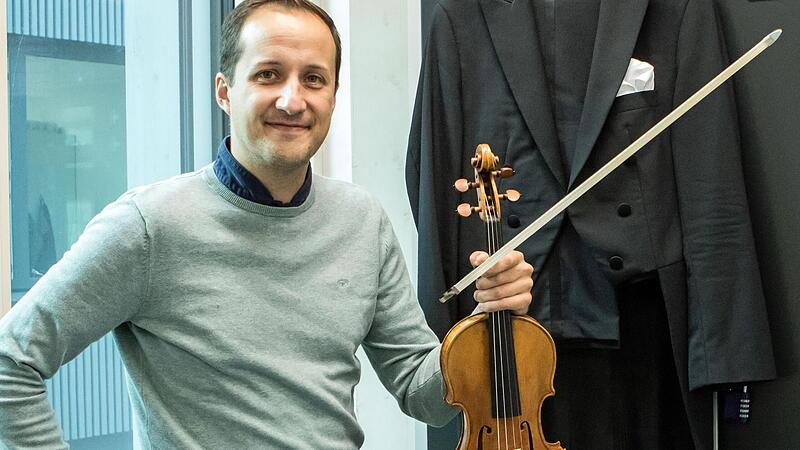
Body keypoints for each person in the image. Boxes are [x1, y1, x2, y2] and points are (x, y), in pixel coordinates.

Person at [0, 1, 534, 448]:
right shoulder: (147, 225)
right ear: (224, 91)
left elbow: (425, 398)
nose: (292, 99)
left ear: (331, 97)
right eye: (268, 74)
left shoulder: (362, 221)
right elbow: (11, 364)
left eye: (314, 79)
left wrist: (490, 324)